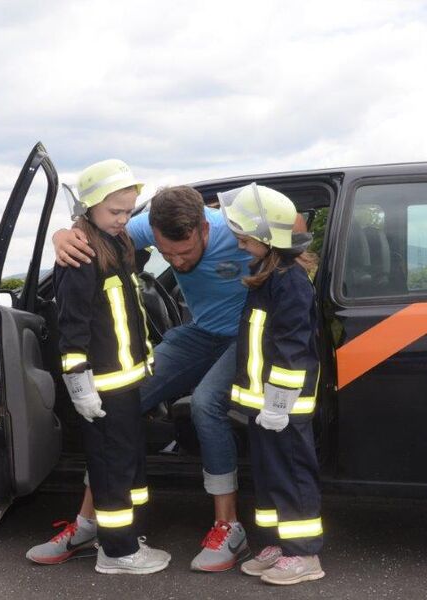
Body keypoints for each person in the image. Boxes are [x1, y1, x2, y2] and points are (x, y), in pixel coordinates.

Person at [29, 184, 252, 572]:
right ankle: (90, 522)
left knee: (205, 405)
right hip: (201, 333)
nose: (177, 262)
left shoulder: (234, 229)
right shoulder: (146, 225)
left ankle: (229, 527)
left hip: (245, 334)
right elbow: (97, 235)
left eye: (185, 253)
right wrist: (63, 235)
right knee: (120, 403)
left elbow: (292, 230)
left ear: (203, 229)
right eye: (167, 254)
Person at [27, 159, 170, 575]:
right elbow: (72, 328)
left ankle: (127, 537)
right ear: (88, 207)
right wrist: (80, 386)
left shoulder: (116, 244)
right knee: (111, 470)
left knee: (128, 465)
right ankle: (117, 553)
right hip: (103, 388)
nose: (123, 219)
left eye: (128, 211)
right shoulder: (82, 256)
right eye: (115, 211)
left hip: (125, 384)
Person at [218, 183, 324, 585]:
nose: (240, 244)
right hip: (264, 405)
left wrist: (278, 404)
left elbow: (293, 348)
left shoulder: (290, 280)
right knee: (269, 476)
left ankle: (304, 555)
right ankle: (279, 544)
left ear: (268, 237)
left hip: (284, 407)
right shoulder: (268, 274)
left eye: (245, 238)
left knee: (293, 476)